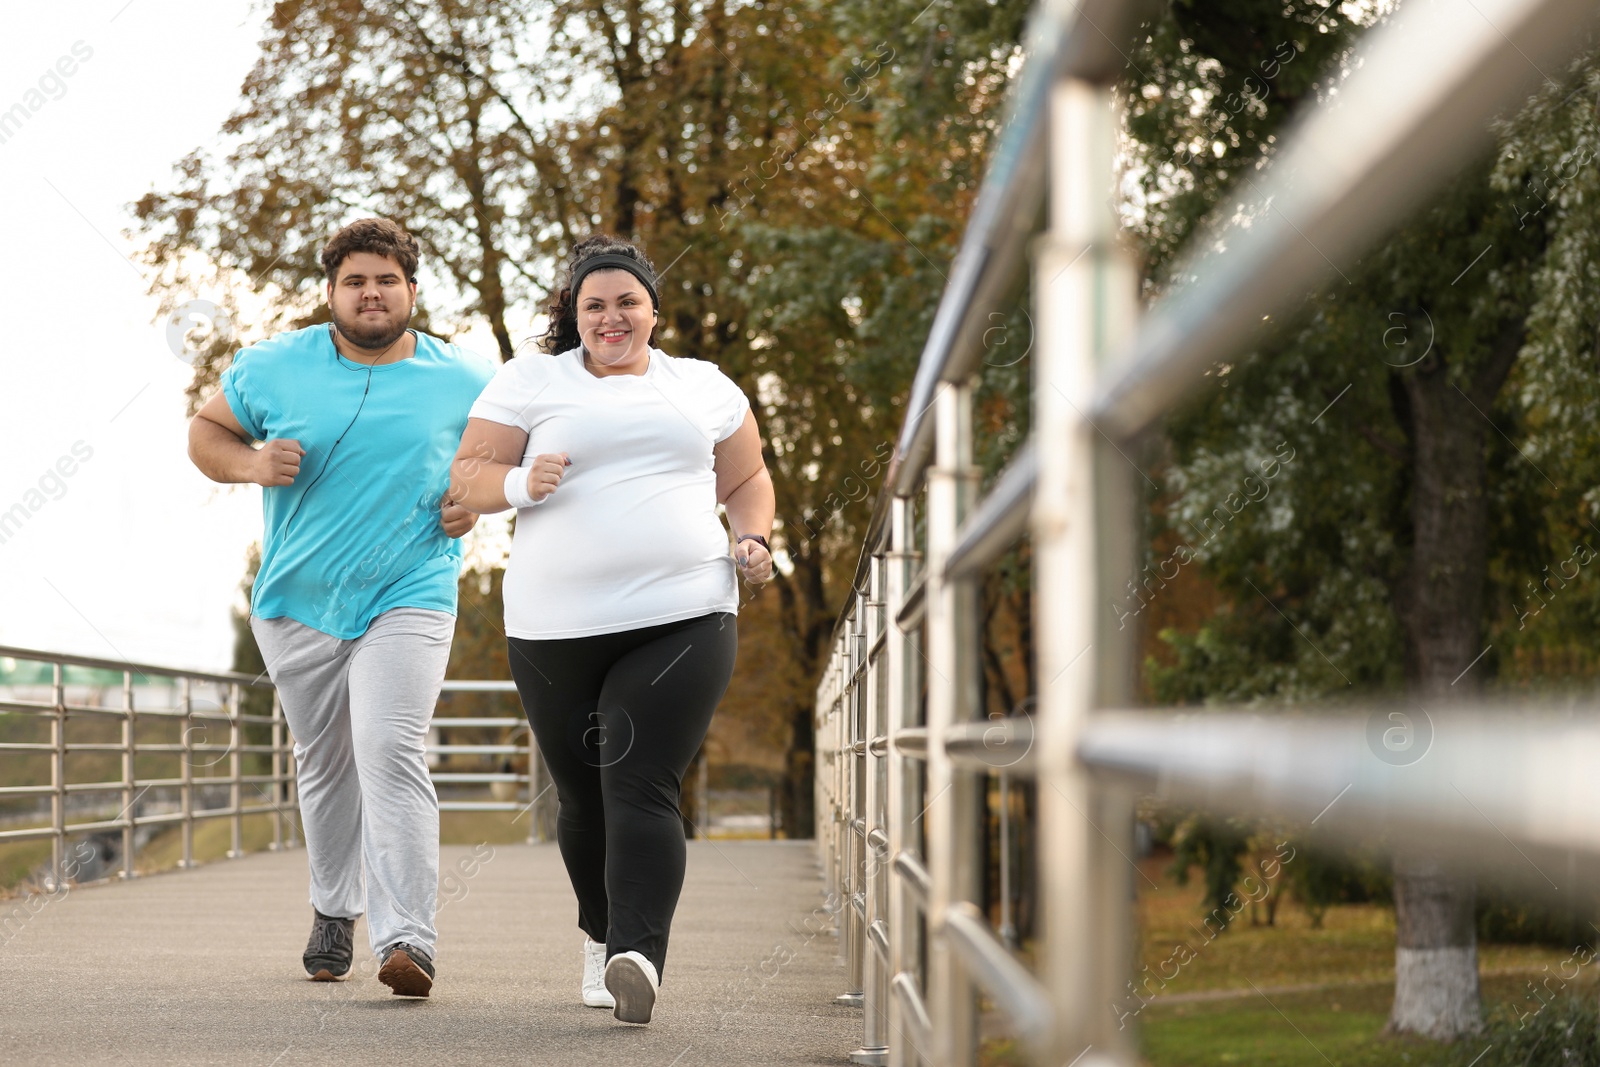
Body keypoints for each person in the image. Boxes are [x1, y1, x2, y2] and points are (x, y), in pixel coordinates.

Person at [449, 235, 774, 1024]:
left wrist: (755, 539)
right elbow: (467, 478)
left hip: (685, 611)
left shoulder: (702, 386)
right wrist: (524, 480)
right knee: (582, 798)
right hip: (552, 625)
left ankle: (639, 955)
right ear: (574, 314)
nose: (611, 316)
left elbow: (747, 478)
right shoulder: (531, 380)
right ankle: (600, 936)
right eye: (594, 304)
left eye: (627, 300)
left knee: (638, 777)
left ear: (654, 311)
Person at [187, 218, 495, 997]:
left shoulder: (463, 378)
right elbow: (204, 431)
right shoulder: (273, 366)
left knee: (389, 750)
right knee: (325, 763)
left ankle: (408, 940)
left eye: (386, 280)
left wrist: (472, 507)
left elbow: (493, 462)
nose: (371, 293)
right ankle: (334, 910)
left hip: (411, 590)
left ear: (412, 292)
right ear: (331, 292)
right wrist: (253, 462)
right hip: (299, 599)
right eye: (355, 280)